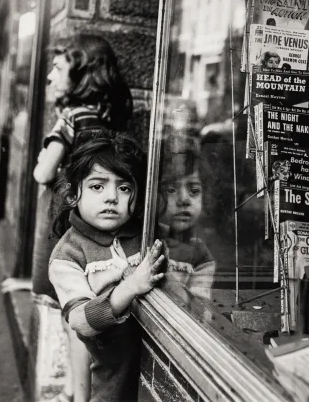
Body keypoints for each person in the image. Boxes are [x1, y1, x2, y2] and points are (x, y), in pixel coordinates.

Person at [3, 33, 133, 402]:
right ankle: (81, 392)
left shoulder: (72, 118)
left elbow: (43, 173)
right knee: (87, 308)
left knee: (68, 311)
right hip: (101, 232)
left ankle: (73, 393)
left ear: (81, 75)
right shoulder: (112, 118)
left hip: (65, 225)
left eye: (58, 69)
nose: (50, 78)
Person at [49, 132, 165, 402]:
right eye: (97, 186)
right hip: (111, 384)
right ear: (73, 194)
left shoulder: (146, 234)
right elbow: (81, 322)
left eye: (124, 188)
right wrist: (131, 287)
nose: (111, 197)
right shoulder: (68, 255)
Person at [156, 135, 216, 302]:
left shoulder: (200, 256)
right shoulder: (141, 240)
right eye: (170, 189)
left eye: (194, 191)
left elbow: (199, 309)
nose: (184, 199)